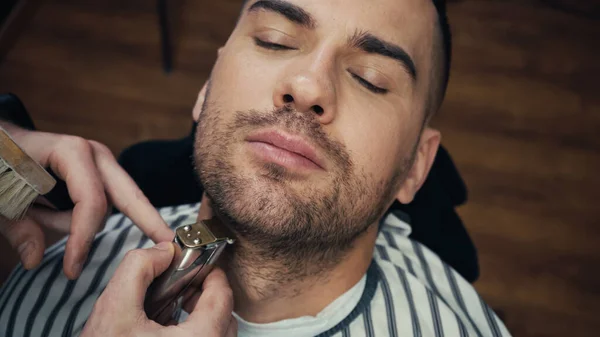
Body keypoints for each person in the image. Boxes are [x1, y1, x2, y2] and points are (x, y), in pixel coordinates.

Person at [0, 0, 512, 336]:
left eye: (370, 78)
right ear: (206, 88)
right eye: (274, 40)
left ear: (415, 168)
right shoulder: (48, 259)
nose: (308, 86)